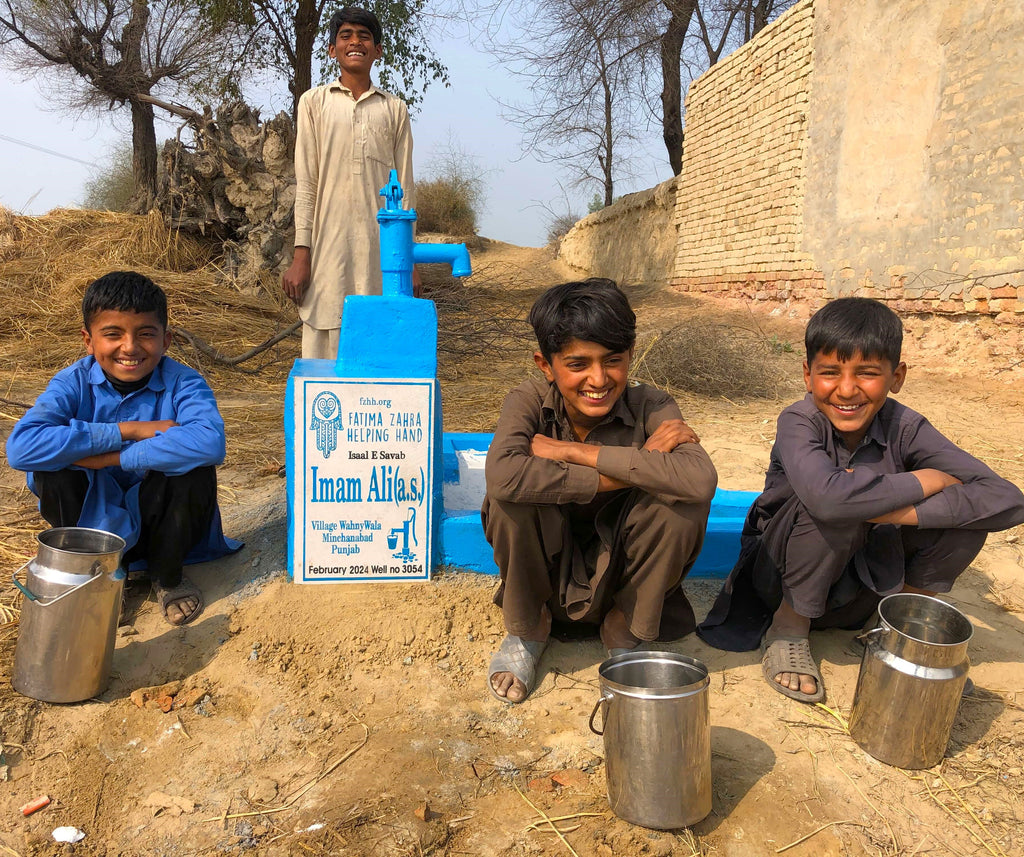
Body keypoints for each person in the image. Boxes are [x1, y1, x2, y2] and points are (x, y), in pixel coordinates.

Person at [698, 297, 1024, 703]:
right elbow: (829, 500)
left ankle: (894, 626)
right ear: (807, 374)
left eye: (867, 373)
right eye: (830, 373)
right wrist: (925, 480)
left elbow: (1007, 499)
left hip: (867, 584)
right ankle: (789, 630)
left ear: (897, 376)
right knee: (831, 505)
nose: (847, 389)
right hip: (782, 578)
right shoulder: (798, 421)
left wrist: (888, 511)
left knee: (961, 518)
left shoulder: (906, 426)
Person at [484, 278, 718, 703]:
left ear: (630, 355)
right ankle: (529, 629)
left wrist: (572, 452)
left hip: (623, 571)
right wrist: (635, 466)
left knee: (681, 506)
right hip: (548, 568)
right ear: (545, 364)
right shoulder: (527, 401)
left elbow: (699, 481)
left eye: (613, 361)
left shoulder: (653, 404)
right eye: (578, 364)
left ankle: (624, 627)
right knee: (508, 502)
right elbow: (502, 475)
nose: (598, 379)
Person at [6, 271, 241, 626]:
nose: (130, 347)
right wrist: (128, 430)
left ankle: (168, 576)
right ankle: (106, 573)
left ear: (167, 340)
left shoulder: (185, 382)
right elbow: (21, 448)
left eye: (146, 334)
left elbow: (209, 442)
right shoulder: (72, 382)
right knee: (51, 469)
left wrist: (111, 458)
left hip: (164, 524)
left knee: (193, 468)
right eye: (113, 334)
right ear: (88, 341)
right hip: (93, 526)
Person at [281, 5, 419, 360]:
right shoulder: (313, 103)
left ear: (377, 50)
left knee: (379, 343)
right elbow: (307, 183)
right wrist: (301, 254)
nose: (355, 42)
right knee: (324, 353)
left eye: (364, 36)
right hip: (328, 251)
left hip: (380, 254)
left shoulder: (394, 109)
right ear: (332, 49)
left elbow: (405, 188)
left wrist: (409, 260)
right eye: (346, 35)